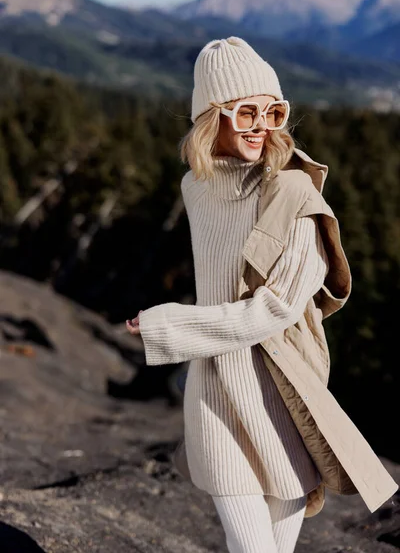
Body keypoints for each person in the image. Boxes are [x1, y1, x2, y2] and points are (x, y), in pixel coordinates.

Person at [126, 37, 398, 553]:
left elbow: (274, 310)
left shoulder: (295, 195)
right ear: (211, 117)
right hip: (215, 384)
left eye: (273, 112)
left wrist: (169, 327)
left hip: (281, 387)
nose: (262, 126)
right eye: (245, 112)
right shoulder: (197, 188)